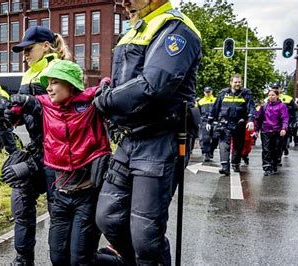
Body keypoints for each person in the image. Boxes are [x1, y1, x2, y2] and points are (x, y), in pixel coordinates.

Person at [92, 0, 202, 264]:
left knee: (146, 235)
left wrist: (104, 101)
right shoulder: (134, 29)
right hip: (130, 137)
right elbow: (123, 82)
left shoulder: (176, 28)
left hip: (161, 138)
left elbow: (153, 85)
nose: (124, 1)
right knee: (108, 217)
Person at [8, 60, 111, 265]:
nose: (49, 87)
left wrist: (107, 85)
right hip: (60, 196)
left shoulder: (90, 102)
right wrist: (12, 111)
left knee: (80, 260)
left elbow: (107, 84)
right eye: (48, 83)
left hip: (87, 195)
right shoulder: (46, 104)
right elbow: (27, 104)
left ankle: (118, 260)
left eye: (54, 82)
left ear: (69, 84)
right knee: (58, 257)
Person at [4, 26, 72, 265]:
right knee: (20, 199)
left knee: (59, 212)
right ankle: (23, 259)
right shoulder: (27, 74)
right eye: (21, 51)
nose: (24, 55)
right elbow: (23, 114)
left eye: (28, 49)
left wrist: (30, 103)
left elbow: (63, 111)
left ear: (45, 46)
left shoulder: (60, 69)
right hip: (37, 149)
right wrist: (9, 115)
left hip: (60, 152)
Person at [207, 74, 256, 176]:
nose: (238, 84)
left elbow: (251, 107)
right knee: (223, 145)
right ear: (231, 83)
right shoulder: (223, 93)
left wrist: (251, 120)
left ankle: (235, 163)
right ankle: (225, 167)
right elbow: (215, 108)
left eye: (239, 82)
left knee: (238, 145)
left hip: (239, 123)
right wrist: (209, 121)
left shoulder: (246, 93)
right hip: (225, 123)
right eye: (235, 82)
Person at [255, 89, 289, 175]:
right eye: (269, 95)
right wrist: (256, 130)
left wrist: (283, 129)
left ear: (277, 96)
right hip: (265, 130)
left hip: (277, 131)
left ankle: (274, 164)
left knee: (276, 149)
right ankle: (266, 167)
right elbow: (259, 119)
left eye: (273, 95)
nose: (271, 96)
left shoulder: (282, 106)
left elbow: (285, 118)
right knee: (266, 149)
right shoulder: (264, 106)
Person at [197, 86, 217, 162]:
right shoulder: (200, 101)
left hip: (214, 121)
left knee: (216, 137)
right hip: (204, 121)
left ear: (212, 91)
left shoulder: (216, 100)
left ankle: (211, 150)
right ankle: (207, 154)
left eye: (209, 92)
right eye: (206, 92)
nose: (208, 93)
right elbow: (198, 112)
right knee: (205, 138)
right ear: (204, 92)